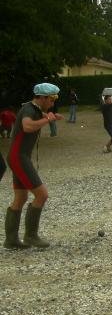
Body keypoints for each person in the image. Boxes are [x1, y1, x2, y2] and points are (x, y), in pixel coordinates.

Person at [3, 83, 63, 249]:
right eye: (51, 99)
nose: (52, 103)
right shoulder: (29, 110)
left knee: (21, 198)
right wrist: (47, 119)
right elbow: (27, 126)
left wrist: (50, 116)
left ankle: (11, 239)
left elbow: (40, 116)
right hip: (19, 158)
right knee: (42, 195)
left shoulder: (34, 109)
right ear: (42, 97)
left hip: (18, 157)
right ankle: (30, 236)